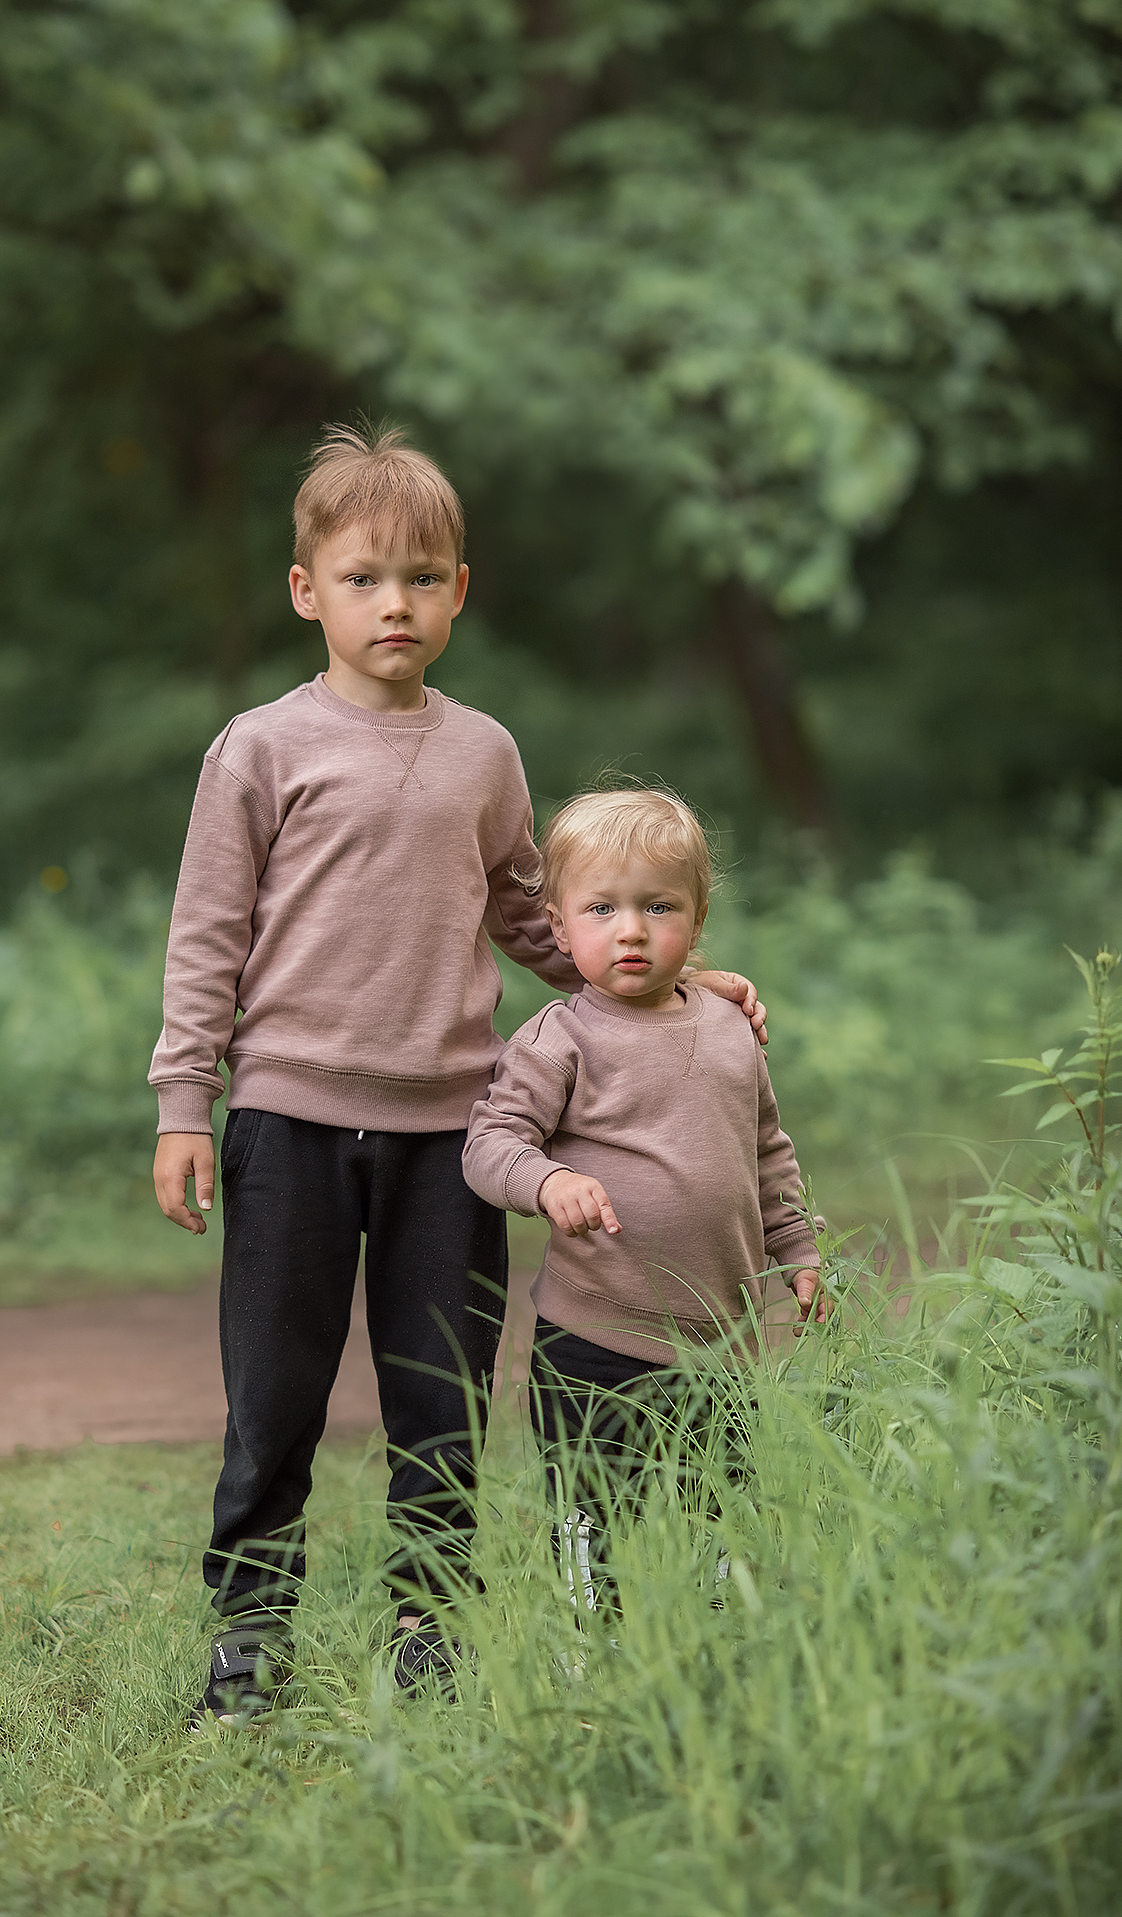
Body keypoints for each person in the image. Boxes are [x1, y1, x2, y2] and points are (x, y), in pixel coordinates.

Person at [149, 425, 768, 1722]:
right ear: (307, 589)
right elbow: (208, 934)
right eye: (367, 577)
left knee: (440, 1403)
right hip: (287, 1125)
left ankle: (432, 1630)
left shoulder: (485, 753)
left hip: (451, 1133)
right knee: (276, 1399)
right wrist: (181, 1105)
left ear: (460, 594)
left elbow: (537, 917)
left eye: (423, 578)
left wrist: (670, 979)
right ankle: (250, 1639)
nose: (396, 603)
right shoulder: (259, 748)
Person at [462, 787, 825, 1623]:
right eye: (603, 908)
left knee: (716, 1510)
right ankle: (597, 1648)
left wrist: (799, 1252)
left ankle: (713, 1636)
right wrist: (547, 1180)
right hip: (596, 1337)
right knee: (596, 1515)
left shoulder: (732, 1027)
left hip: (721, 1337)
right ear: (558, 928)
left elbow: (766, 1149)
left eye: (658, 906)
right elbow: (488, 1146)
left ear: (696, 922)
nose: (631, 929)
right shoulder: (561, 1037)